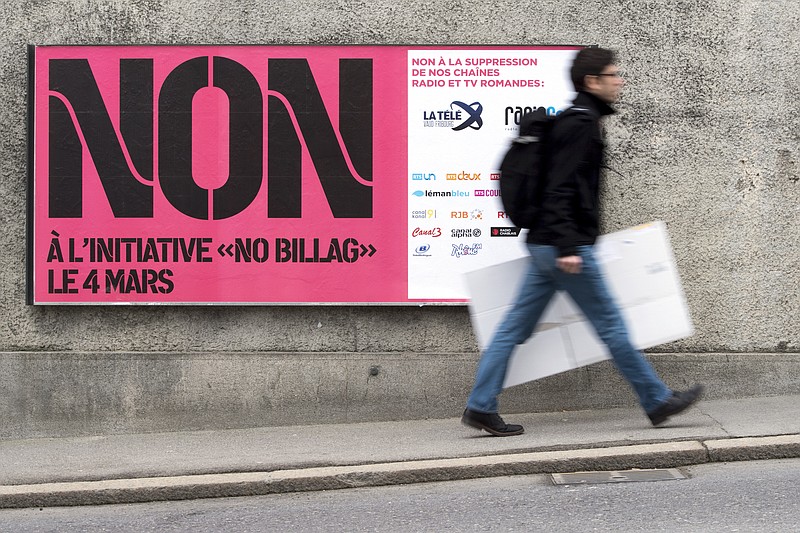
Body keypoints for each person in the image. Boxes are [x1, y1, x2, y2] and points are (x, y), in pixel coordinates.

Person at [462, 47, 703, 436]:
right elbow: (560, 189)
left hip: (546, 245)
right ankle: (656, 400)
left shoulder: (580, 120)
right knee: (610, 324)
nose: (619, 80)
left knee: (512, 330)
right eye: (613, 74)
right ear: (592, 81)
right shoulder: (581, 124)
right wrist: (570, 247)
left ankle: (480, 405)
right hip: (561, 247)